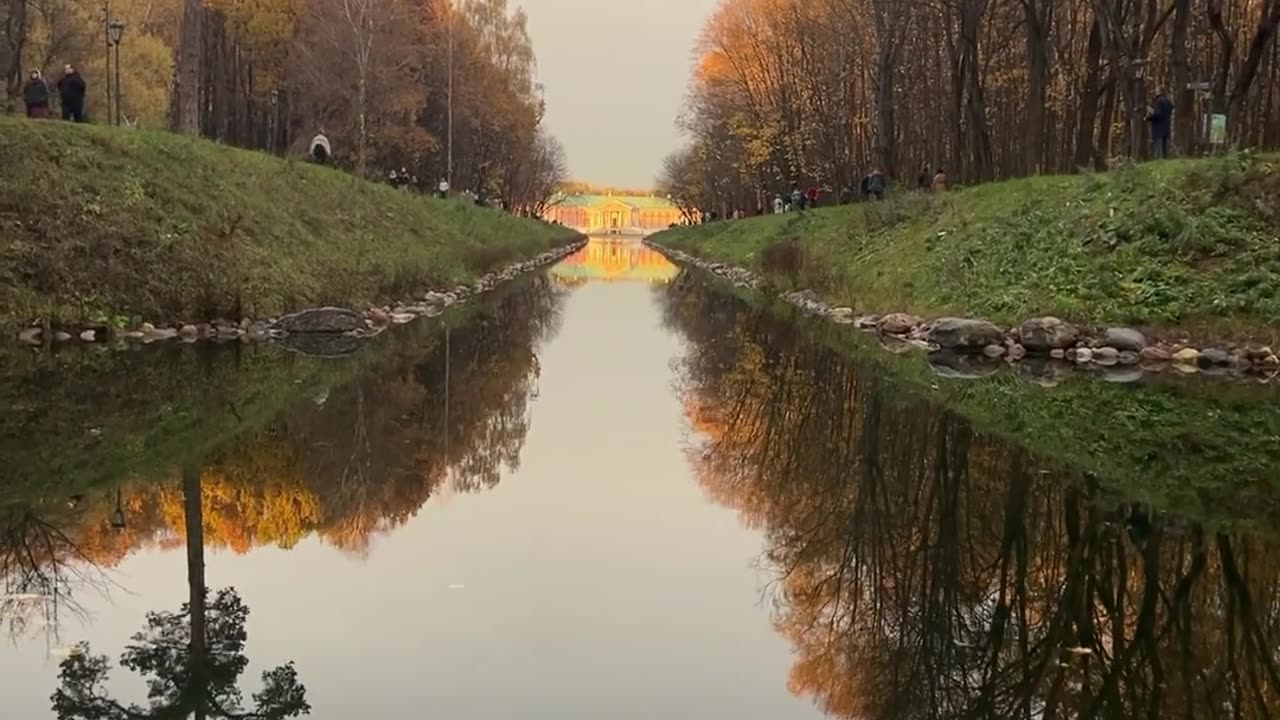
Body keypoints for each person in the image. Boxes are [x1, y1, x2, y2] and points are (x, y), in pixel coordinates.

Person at [1146, 92, 1174, 159]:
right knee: (1165, 147)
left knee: (1159, 148)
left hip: (1158, 128)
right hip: (1166, 127)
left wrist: (1147, 118)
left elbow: (1158, 115)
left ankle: (1160, 159)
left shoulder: (1158, 102)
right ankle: (1165, 159)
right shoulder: (1168, 102)